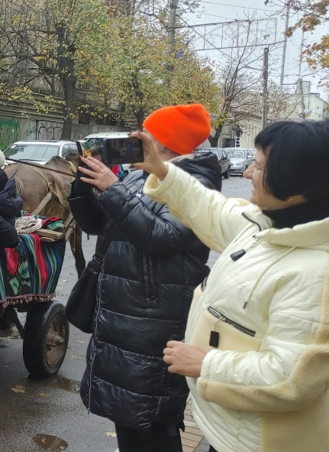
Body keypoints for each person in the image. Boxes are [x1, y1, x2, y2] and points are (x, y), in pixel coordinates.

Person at [137, 120, 329, 452]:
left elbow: (292, 377)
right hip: (236, 431)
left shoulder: (323, 274)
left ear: (294, 185)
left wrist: (206, 364)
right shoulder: (272, 224)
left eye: (260, 166)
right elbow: (213, 210)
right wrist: (163, 170)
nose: (248, 173)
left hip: (266, 442)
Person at [69, 104, 221, 452]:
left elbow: (162, 237)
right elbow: (100, 224)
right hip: (123, 315)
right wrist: (83, 185)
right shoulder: (138, 174)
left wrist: (112, 188)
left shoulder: (196, 180)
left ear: (165, 142)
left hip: (154, 321)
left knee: (152, 419)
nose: (136, 138)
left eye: (145, 132)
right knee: (127, 417)